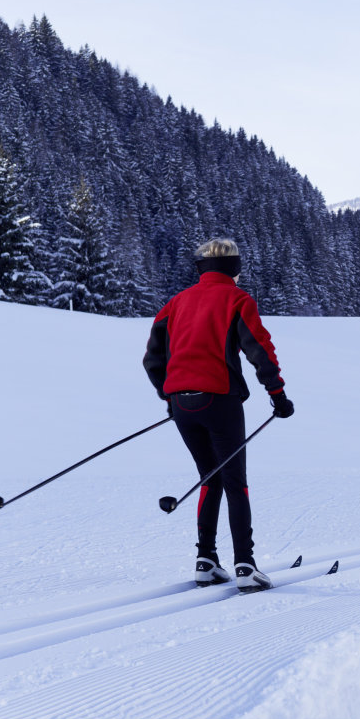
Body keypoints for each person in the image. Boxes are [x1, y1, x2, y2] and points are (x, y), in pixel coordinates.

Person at [143, 238, 294, 591]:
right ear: (235, 269)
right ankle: (245, 565)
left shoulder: (175, 304)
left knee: (209, 478)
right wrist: (278, 396)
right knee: (234, 482)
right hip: (220, 401)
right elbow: (261, 351)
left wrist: (170, 398)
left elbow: (152, 359)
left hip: (182, 404)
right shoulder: (238, 300)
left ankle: (206, 560)